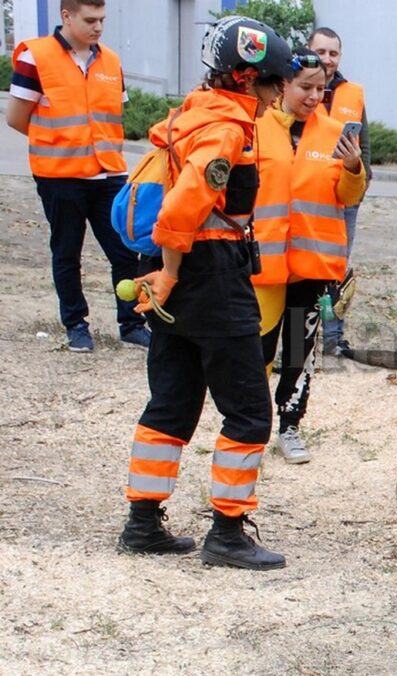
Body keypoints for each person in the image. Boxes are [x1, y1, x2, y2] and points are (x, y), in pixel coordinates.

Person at [115, 16, 294, 570]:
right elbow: (180, 208)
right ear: (248, 79)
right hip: (209, 277)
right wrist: (170, 269)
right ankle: (227, 533)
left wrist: (166, 271)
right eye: (273, 82)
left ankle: (142, 522)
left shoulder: (192, 112)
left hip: (183, 279)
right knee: (247, 412)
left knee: (172, 400)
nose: (278, 94)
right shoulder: (226, 129)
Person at [7, 0, 149, 352]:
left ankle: (131, 323)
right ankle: (76, 326)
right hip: (60, 176)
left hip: (108, 175)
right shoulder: (35, 57)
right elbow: (15, 117)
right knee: (67, 252)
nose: (98, 27)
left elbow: (112, 115)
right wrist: (57, 141)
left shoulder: (111, 62)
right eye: (90, 20)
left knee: (125, 251)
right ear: (66, 16)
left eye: (102, 19)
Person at [253, 48, 367, 464]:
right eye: (306, 86)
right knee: (257, 350)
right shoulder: (256, 126)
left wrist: (355, 170)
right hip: (263, 264)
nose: (315, 95)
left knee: (300, 353)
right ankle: (251, 426)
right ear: (283, 84)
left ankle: (290, 426)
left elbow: (347, 196)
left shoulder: (336, 132)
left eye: (321, 87)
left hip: (312, 265)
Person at [308, 27, 373, 357]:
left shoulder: (353, 94)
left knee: (337, 269)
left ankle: (333, 338)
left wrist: (362, 183)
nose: (327, 59)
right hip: (309, 195)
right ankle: (297, 337)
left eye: (333, 53)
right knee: (302, 267)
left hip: (345, 195)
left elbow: (366, 146)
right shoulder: (296, 88)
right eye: (321, 52)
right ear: (309, 50)